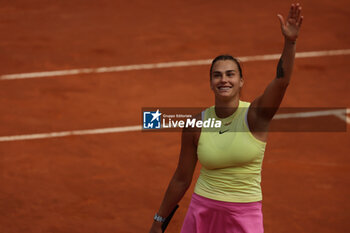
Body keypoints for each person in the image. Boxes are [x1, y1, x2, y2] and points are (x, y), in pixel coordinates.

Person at [149, 3, 303, 233]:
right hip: (202, 211)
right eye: (217, 75)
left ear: (241, 81)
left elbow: (282, 82)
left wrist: (289, 43)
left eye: (231, 74)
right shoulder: (195, 124)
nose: (224, 80)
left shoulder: (255, 115)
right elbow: (181, 178)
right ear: (210, 82)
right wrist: (158, 221)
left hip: (244, 215)